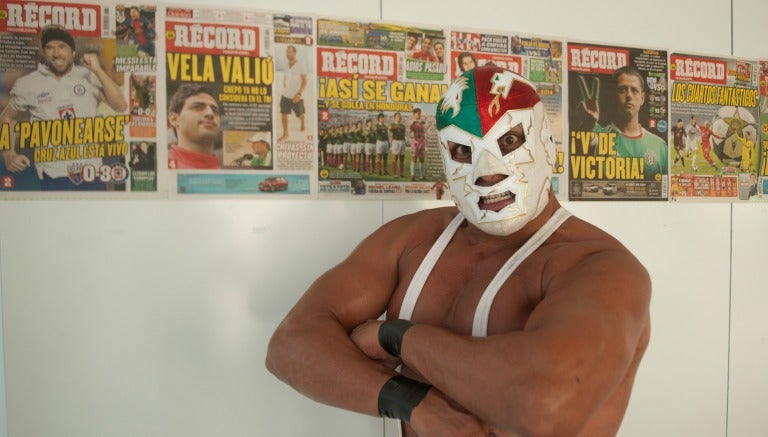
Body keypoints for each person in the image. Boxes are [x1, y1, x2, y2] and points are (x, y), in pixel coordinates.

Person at [267, 65, 651, 437]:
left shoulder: (599, 265)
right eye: (464, 151)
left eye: (509, 142)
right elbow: (290, 345)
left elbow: (545, 406)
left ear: (547, 146)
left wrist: (396, 337)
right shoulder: (415, 238)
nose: (487, 171)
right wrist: (413, 403)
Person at [0, 24, 128, 190]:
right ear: (43, 52)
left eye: (62, 47)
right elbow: (7, 117)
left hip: (92, 174)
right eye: (50, 47)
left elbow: (120, 106)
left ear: (72, 52)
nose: (56, 53)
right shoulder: (28, 84)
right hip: (54, 177)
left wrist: (98, 70)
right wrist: (9, 154)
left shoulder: (87, 75)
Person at [576, 65, 668, 181]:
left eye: (634, 90)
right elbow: (588, 141)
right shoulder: (600, 134)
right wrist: (587, 126)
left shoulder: (660, 145)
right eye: (622, 90)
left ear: (642, 98)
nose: (629, 96)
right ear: (614, 95)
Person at [167, 83, 221, 169]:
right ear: (174, 119)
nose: (210, 113)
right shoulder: (160, 164)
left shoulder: (229, 171)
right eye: (198, 107)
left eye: (215, 110)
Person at [278, 45, 307, 142]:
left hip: (296, 96)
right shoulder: (286, 65)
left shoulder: (301, 65)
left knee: (300, 114)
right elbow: (285, 78)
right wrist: (285, 88)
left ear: (295, 53)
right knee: (283, 113)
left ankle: (302, 121)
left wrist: (299, 94)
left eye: (289, 52)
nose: (287, 54)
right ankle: (285, 133)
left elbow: (304, 81)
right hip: (285, 95)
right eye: (287, 52)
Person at [409, 107, 426, 181]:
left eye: (420, 114)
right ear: (414, 114)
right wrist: (415, 122)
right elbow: (411, 128)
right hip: (415, 142)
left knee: (422, 159)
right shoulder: (412, 122)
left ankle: (422, 176)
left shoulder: (421, 123)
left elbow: (423, 132)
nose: (419, 115)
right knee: (414, 158)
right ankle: (412, 176)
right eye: (418, 114)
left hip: (421, 142)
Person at [389, 112, 407, 178]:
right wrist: (396, 127)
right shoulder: (392, 124)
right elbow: (390, 128)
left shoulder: (403, 126)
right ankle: (394, 173)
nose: (399, 117)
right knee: (395, 157)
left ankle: (401, 174)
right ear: (395, 117)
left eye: (400, 116)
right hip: (396, 141)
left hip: (402, 141)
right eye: (398, 116)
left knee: (402, 158)